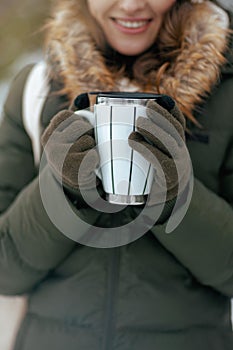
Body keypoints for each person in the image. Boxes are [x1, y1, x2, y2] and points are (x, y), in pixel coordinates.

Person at [0, 0, 233, 349]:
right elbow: (5, 272)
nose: (131, 4)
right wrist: (63, 192)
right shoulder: (36, 90)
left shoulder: (226, 95)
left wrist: (178, 199)